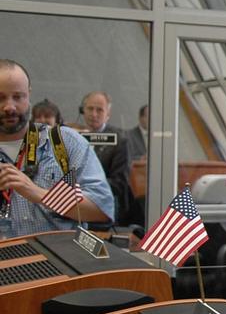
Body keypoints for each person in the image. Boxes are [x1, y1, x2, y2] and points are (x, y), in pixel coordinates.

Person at [0, 60, 113, 237]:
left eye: (17, 96)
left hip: (56, 263)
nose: (9, 107)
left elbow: (102, 209)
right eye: (0, 97)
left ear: (28, 95)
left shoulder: (65, 142)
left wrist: (38, 193)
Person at [78, 90, 132, 227]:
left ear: (108, 115)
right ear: (82, 110)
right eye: (90, 109)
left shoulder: (119, 141)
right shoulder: (73, 136)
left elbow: (119, 183)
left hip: (105, 211)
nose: (94, 114)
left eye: (99, 110)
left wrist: (86, 187)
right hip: (76, 211)